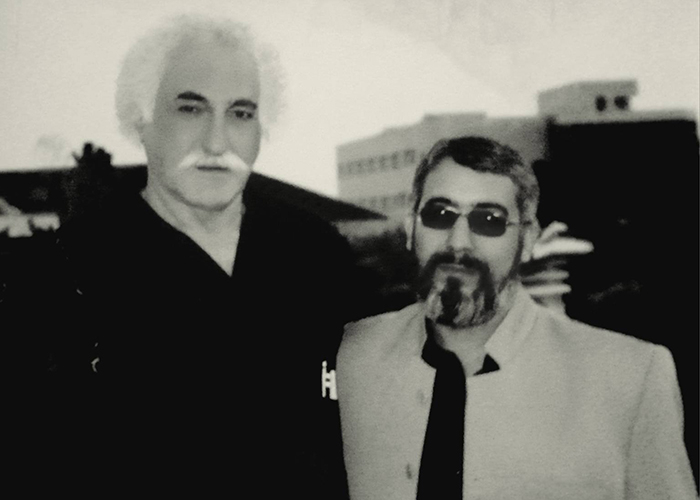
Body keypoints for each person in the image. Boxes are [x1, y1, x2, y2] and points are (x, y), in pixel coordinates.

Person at [13, 15, 362, 497]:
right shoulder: (71, 265)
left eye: (241, 113)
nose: (216, 142)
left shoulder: (313, 250)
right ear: (141, 121)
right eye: (191, 109)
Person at [337, 136, 697, 500]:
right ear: (411, 227)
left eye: (489, 220)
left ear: (527, 239)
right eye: (440, 215)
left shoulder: (630, 377)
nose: (458, 242)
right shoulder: (352, 356)